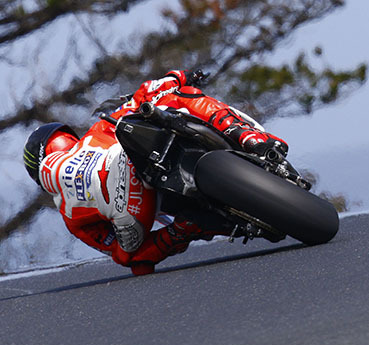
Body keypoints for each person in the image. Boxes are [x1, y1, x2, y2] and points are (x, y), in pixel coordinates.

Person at [23, 69, 288, 275]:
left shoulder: (72, 218)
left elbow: (132, 260)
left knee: (142, 248)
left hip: (142, 208)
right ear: (64, 139)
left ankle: (192, 226)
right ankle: (247, 136)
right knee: (180, 95)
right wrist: (180, 75)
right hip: (132, 174)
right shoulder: (97, 131)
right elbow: (148, 92)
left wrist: (174, 235)